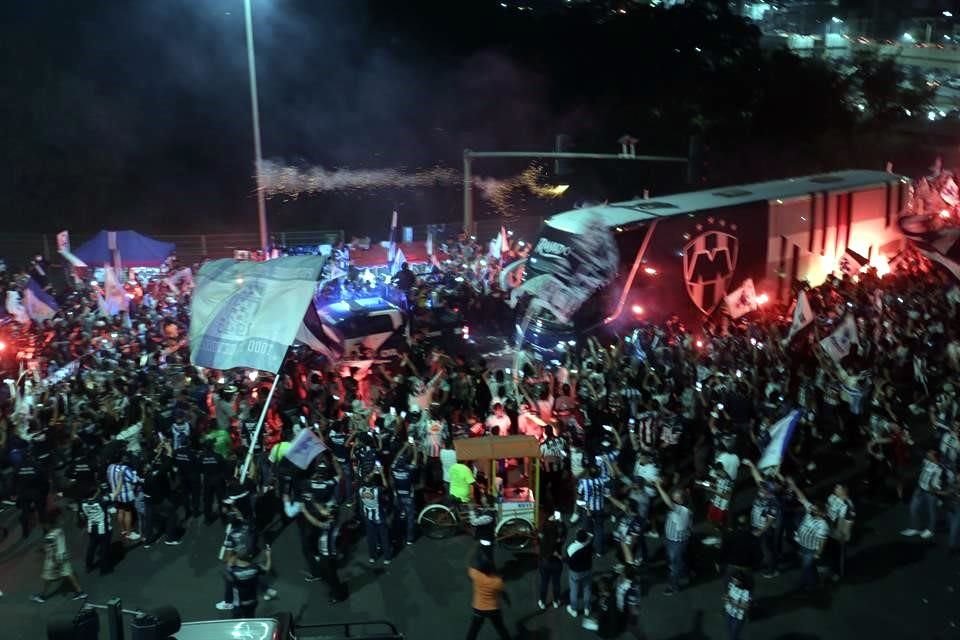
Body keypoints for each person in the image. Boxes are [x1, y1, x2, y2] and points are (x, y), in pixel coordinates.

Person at [32, 511, 86, 603]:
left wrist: (52, 560)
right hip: (63, 556)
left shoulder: (50, 536)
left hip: (53, 560)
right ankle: (80, 592)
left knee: (47, 577)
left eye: (43, 525)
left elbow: (52, 549)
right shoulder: (59, 531)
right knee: (69, 573)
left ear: (47, 524)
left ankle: (42, 596)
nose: (43, 526)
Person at [787, 477, 829, 592]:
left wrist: (818, 553)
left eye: (815, 510)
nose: (812, 511)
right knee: (807, 566)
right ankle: (812, 581)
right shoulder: (810, 511)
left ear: (821, 512)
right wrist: (794, 486)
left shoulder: (822, 525)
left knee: (806, 567)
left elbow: (822, 541)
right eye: (813, 509)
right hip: (802, 545)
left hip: (810, 549)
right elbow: (802, 498)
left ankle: (809, 586)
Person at [465, 548, 512, 640]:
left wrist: (473, 551)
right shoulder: (497, 581)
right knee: (500, 628)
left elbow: (468, 564)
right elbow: (502, 593)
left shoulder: (475, 574)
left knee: (474, 629)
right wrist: (507, 600)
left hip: (478, 608)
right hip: (493, 609)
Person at [655, 478, 692, 596]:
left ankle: (673, 587)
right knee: (680, 560)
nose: (674, 499)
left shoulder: (682, 510)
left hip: (676, 542)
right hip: (675, 540)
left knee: (673, 566)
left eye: (677, 497)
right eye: (674, 497)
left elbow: (668, 502)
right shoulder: (683, 508)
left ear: (682, 500)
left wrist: (659, 487)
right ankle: (686, 573)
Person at [901, 450, 945, 540]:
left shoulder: (939, 469)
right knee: (913, 507)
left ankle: (930, 530)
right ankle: (915, 528)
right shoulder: (926, 461)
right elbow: (918, 453)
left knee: (931, 512)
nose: (928, 454)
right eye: (928, 452)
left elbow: (939, 484)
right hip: (920, 488)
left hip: (930, 493)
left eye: (930, 453)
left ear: (935, 457)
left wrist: (935, 490)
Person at [224, 544, 272, 618]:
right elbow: (267, 569)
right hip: (252, 602)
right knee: (250, 618)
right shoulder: (255, 568)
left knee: (236, 620)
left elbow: (229, 587)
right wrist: (268, 556)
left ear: (237, 556)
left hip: (239, 604)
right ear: (250, 556)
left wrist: (228, 601)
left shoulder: (232, 571)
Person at [78, 482, 115, 575]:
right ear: (95, 492)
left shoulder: (82, 502)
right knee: (104, 549)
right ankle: (104, 569)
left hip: (91, 528)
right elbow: (115, 494)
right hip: (103, 529)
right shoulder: (101, 501)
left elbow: (82, 515)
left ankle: (88, 566)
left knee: (91, 547)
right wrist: (120, 481)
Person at [537, 510, 566, 610]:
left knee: (544, 582)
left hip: (545, 561)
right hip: (556, 563)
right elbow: (564, 534)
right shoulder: (559, 535)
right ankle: (556, 600)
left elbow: (539, 541)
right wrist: (561, 522)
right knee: (556, 583)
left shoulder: (543, 531)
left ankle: (542, 601)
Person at [565, 528, 594, 618]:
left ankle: (574, 610)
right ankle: (587, 608)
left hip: (575, 572)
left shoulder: (572, 548)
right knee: (587, 589)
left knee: (574, 591)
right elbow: (591, 536)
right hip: (587, 570)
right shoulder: (589, 546)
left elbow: (568, 561)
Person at [723, 569, 753, 640]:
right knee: (730, 632)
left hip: (737, 617)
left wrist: (732, 601)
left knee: (734, 635)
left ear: (741, 581)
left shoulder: (746, 592)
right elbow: (728, 594)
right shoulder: (731, 584)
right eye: (732, 579)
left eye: (735, 580)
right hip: (729, 612)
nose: (733, 581)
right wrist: (726, 597)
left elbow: (746, 607)